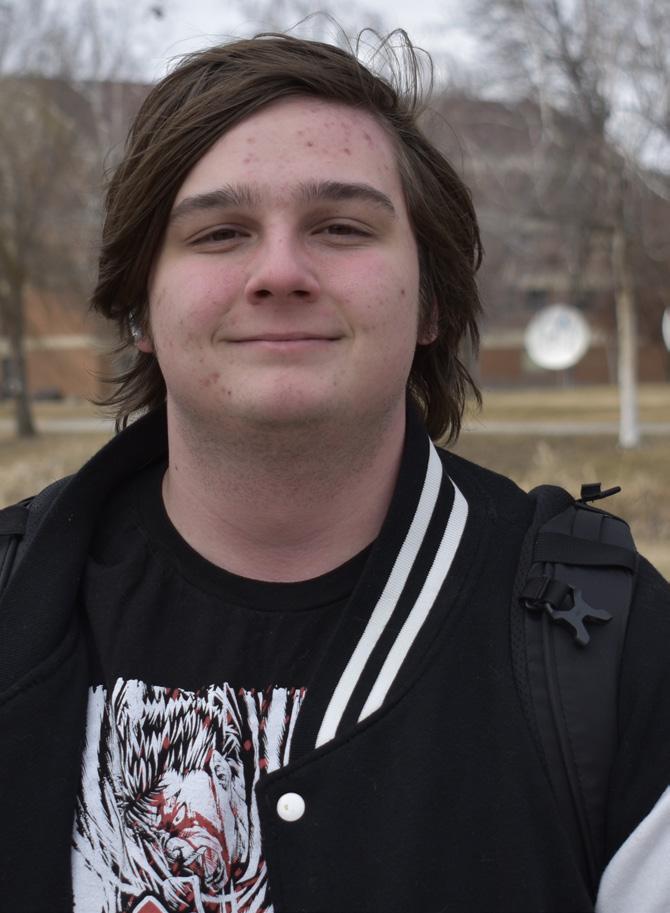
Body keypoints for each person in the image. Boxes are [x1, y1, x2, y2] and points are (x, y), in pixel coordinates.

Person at [0, 29, 668, 913]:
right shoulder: (15, 595)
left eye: (342, 227)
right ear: (139, 310)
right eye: (220, 232)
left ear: (431, 301)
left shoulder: (611, 646)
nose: (280, 272)